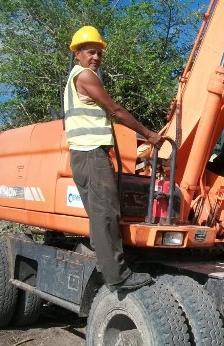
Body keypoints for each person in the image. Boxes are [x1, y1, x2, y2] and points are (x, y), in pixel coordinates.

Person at [64, 25, 162, 291]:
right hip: (91, 155)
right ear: (77, 54)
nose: (95, 57)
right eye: (90, 52)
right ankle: (118, 277)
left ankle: (107, 263)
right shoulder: (85, 77)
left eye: (98, 53)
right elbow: (116, 110)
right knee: (105, 214)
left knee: (102, 213)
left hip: (86, 154)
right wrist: (149, 134)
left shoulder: (79, 78)